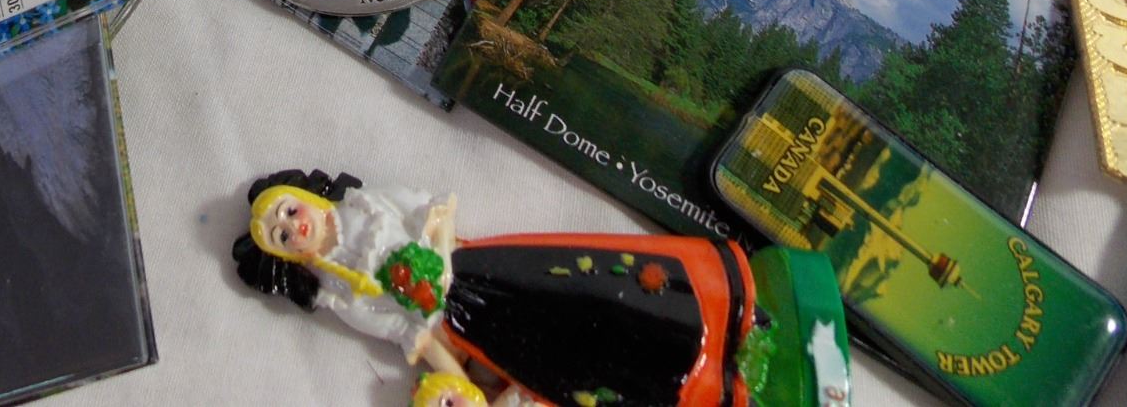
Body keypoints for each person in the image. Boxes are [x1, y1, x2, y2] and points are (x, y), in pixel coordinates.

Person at [232, 169, 758, 407]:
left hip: (479, 268)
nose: (292, 226)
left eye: (288, 211)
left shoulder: (366, 206)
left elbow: (427, 209)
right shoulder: (339, 291)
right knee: (560, 356)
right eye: (281, 235)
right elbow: (398, 329)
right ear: (288, 255)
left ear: (305, 196)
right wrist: (445, 357)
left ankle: (711, 310)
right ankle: (695, 386)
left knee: (581, 288)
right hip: (460, 324)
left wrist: (438, 252)